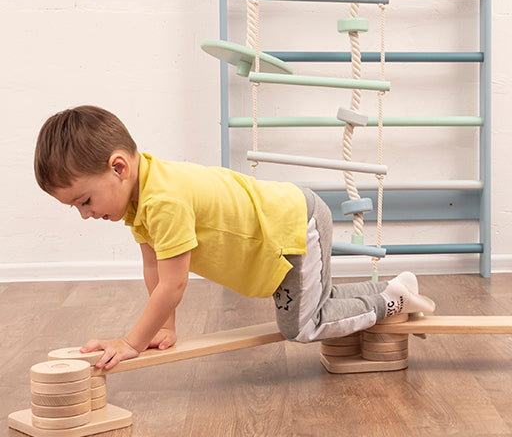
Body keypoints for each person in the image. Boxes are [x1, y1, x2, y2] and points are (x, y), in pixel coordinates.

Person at [33, 105, 434, 370]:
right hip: (287, 222)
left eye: (85, 201)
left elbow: (173, 284)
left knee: (302, 327)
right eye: (76, 207)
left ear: (119, 167)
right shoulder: (141, 195)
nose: (85, 214)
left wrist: (131, 342)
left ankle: (392, 301)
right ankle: (396, 287)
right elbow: (155, 268)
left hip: (293, 228)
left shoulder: (163, 201)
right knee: (318, 303)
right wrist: (163, 329)